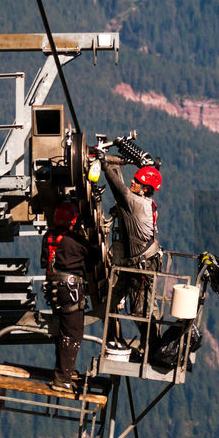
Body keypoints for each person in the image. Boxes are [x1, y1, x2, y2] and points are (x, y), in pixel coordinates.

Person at [102, 160, 162, 350]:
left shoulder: (135, 202)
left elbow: (118, 188)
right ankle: (151, 344)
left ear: (144, 188)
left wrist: (104, 164)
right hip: (139, 263)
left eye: (137, 181)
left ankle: (153, 348)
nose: (132, 182)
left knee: (140, 309)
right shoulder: (147, 204)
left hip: (140, 266)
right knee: (122, 300)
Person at [40, 200, 96, 391]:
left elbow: (43, 262)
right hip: (71, 289)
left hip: (54, 288)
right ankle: (62, 378)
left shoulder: (48, 237)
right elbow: (94, 259)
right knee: (73, 333)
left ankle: (65, 371)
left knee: (64, 330)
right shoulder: (76, 242)